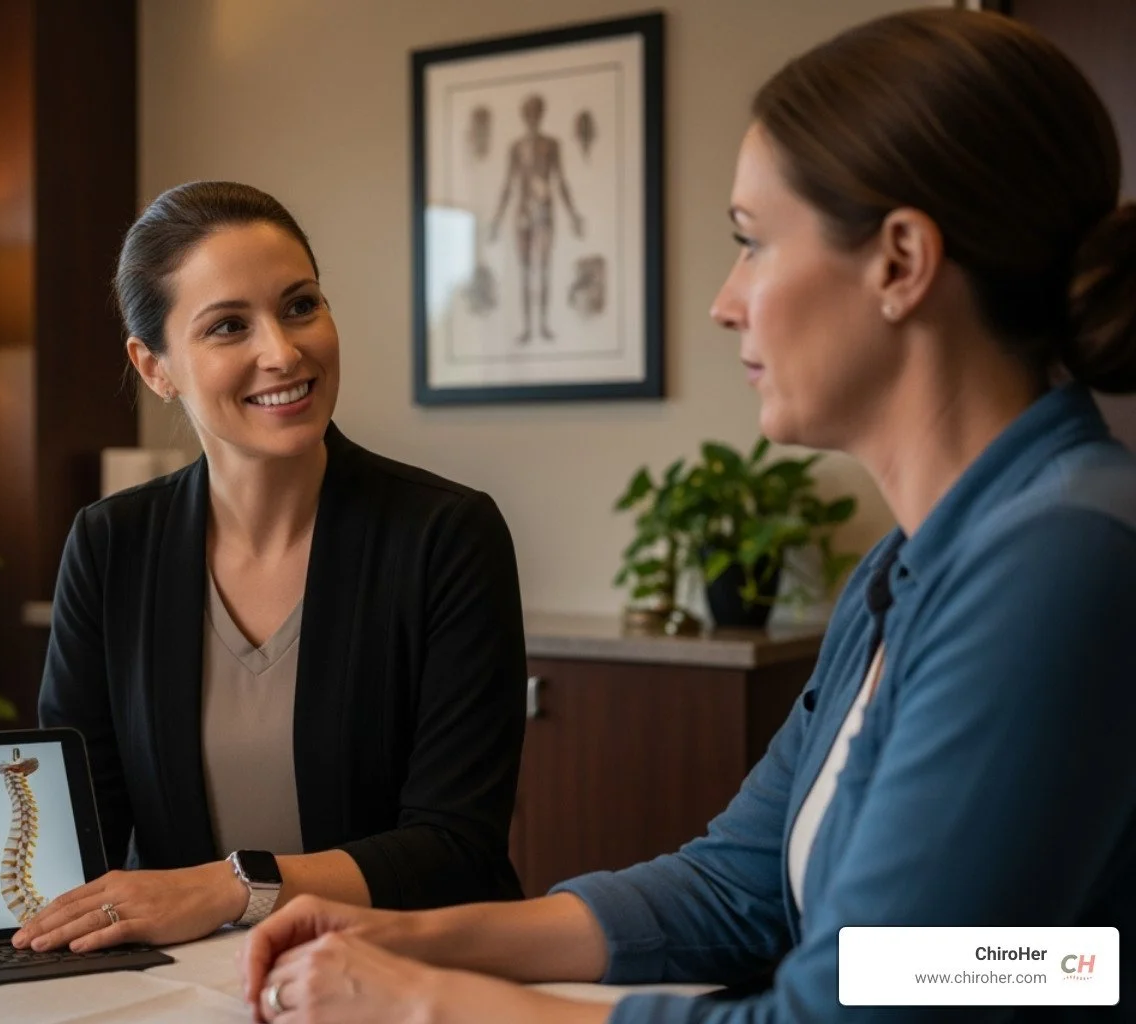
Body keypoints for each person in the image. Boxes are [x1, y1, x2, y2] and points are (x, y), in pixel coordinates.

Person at [238, 10, 1136, 1022]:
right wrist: (411, 934)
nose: (724, 300)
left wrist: (426, 1002)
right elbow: (738, 886)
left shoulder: (1062, 560)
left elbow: (864, 1010)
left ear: (899, 261)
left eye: (751, 244)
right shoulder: (911, 567)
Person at [0, 181, 528, 956]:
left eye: (300, 306)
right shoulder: (111, 541)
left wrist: (230, 886)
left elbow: (455, 849)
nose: (283, 352)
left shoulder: (446, 536)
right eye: (229, 326)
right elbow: (75, 821)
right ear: (154, 366)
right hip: (193, 981)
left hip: (412, 971)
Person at [489, 93, 585, 343]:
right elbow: (507, 186)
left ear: (541, 114)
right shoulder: (515, 148)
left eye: (536, 112)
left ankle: (542, 324)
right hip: (522, 213)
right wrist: (496, 221)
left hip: (544, 211)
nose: (532, 117)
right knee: (524, 271)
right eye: (529, 112)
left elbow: (560, 181)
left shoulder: (551, 145)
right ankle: (527, 327)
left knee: (543, 268)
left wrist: (573, 215)